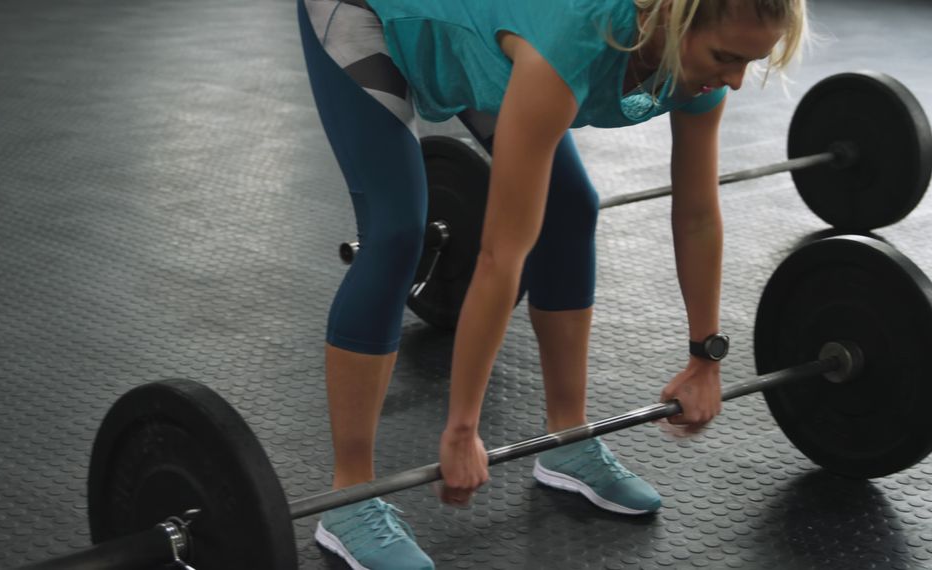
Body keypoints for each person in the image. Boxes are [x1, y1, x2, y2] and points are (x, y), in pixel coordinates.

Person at [297, 0, 807, 567]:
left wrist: (705, 357)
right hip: (367, 11)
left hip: (475, 31)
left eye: (749, 63)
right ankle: (349, 497)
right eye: (725, 58)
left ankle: (568, 438)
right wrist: (462, 429)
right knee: (396, 231)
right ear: (672, 21)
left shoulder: (699, 68)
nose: (734, 79)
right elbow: (499, 257)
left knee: (568, 206)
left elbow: (697, 214)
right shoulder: (568, 50)